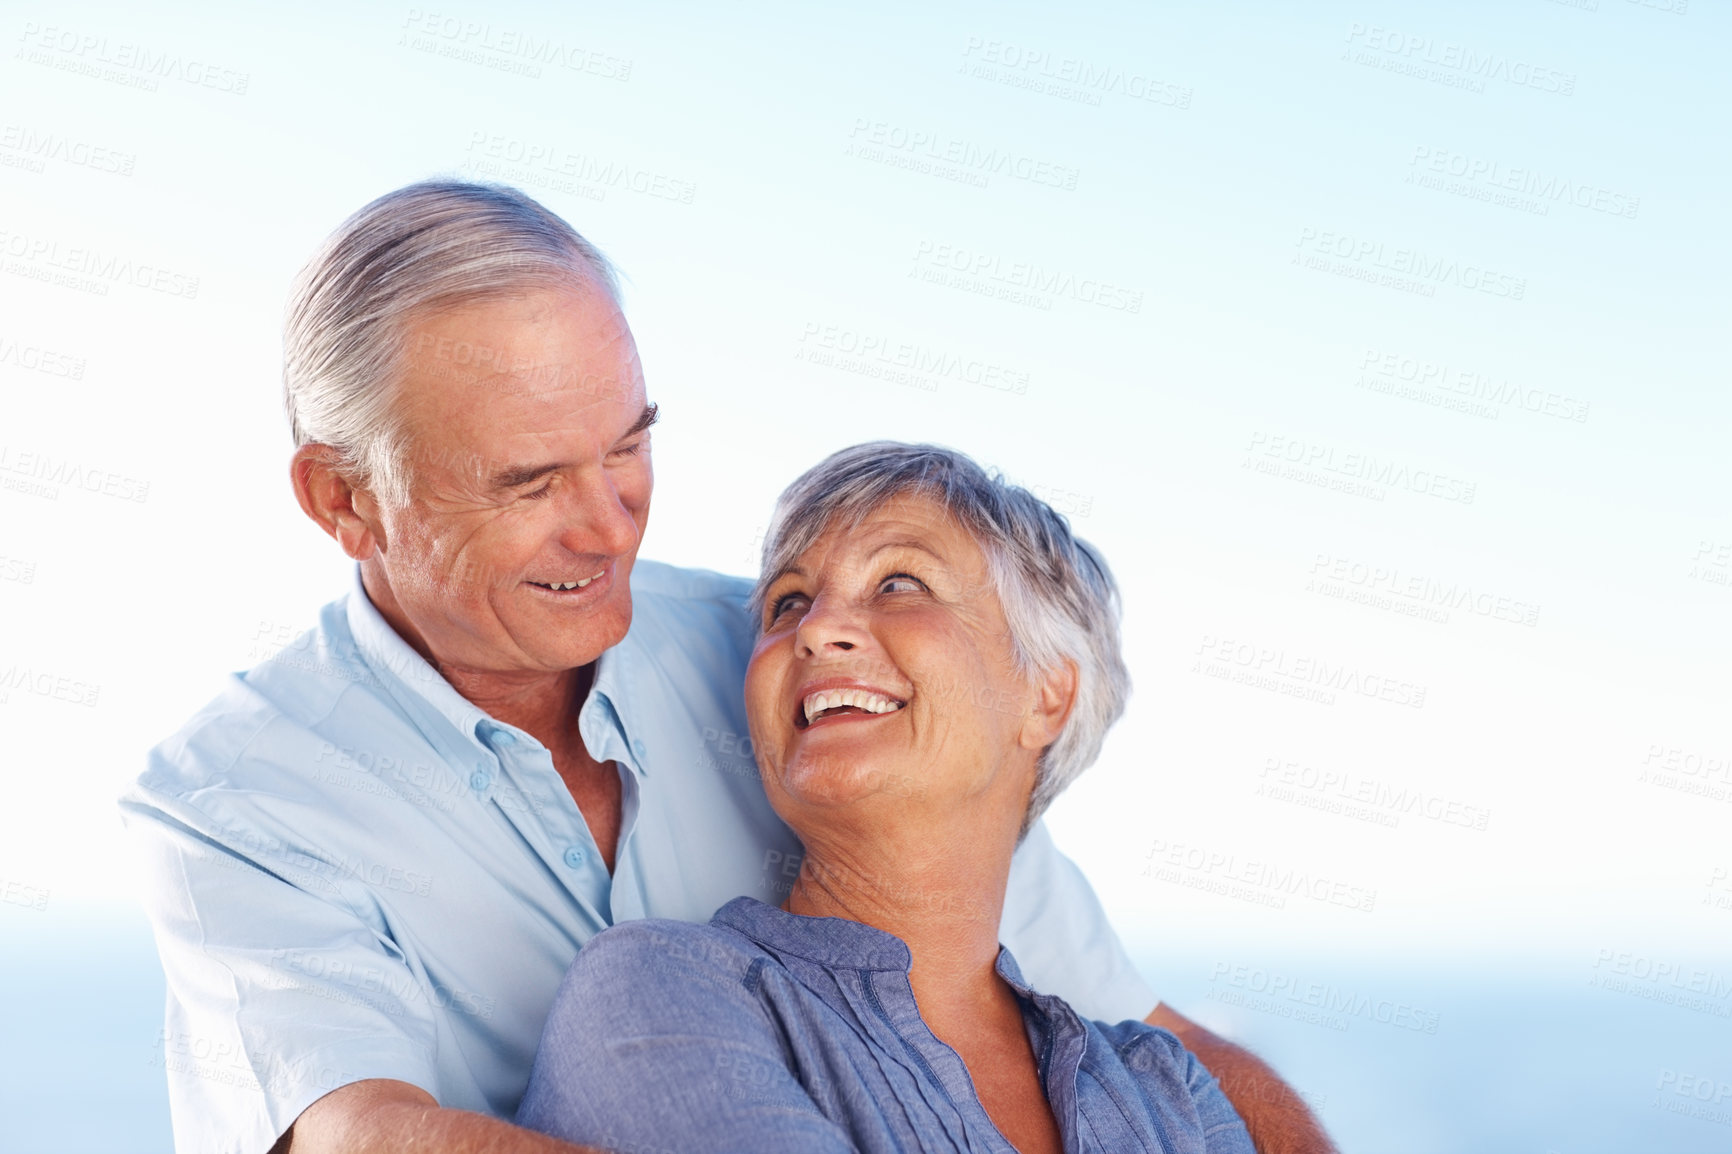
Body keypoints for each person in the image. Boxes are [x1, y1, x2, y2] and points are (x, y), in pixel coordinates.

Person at [118, 180, 1331, 1154]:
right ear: (345, 499)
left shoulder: (786, 667)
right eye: (529, 482)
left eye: (628, 445)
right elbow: (359, 1133)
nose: (610, 526)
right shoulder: (237, 797)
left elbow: (1132, 1025)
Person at [517, 443, 1262, 1153]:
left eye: (900, 584)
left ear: (1047, 695)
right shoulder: (660, 990)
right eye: (788, 603)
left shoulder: (1169, 1089)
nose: (817, 631)